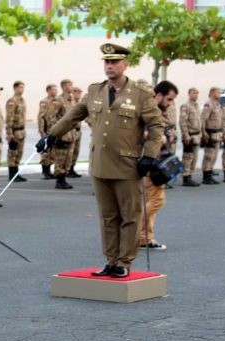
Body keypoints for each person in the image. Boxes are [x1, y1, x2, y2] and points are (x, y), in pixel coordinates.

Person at [45, 43, 163, 278]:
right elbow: (72, 116)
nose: (109, 66)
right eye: (106, 62)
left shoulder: (140, 94)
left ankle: (124, 262)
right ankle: (110, 260)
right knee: (108, 217)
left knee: (129, 216)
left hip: (128, 166)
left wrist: (149, 156)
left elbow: (157, 126)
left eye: (114, 62)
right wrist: (50, 136)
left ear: (125, 65)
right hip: (100, 164)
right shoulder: (94, 91)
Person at [139, 80, 179, 251]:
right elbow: (141, 133)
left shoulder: (157, 111)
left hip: (158, 160)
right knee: (156, 200)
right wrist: (158, 136)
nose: (170, 103)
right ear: (159, 95)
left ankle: (145, 237)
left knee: (151, 199)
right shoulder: (149, 111)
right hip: (151, 161)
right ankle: (135, 232)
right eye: (169, 99)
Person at [179, 87, 202, 187]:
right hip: (189, 135)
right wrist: (186, 135)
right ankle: (186, 177)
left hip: (197, 135)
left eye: (197, 93)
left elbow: (199, 121)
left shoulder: (196, 106)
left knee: (194, 157)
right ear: (189, 94)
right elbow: (183, 122)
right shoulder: (185, 106)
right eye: (194, 93)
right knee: (188, 157)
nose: (196, 95)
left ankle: (190, 176)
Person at [200, 87, 223, 185]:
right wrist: (204, 132)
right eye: (218, 92)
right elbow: (203, 119)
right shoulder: (208, 104)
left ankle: (210, 175)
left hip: (217, 134)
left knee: (214, 156)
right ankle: (205, 177)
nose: (220, 94)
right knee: (208, 156)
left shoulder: (217, 105)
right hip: (209, 133)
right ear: (212, 93)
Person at [5, 81, 27, 182]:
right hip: (14, 131)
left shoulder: (22, 100)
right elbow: (9, 118)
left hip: (22, 130)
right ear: (15, 88)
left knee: (19, 153)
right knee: (12, 153)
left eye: (23, 88)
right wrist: (9, 133)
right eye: (20, 87)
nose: (22, 89)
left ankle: (16, 173)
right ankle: (12, 174)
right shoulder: (12, 101)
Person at [38, 84, 58, 179]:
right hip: (47, 130)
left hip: (54, 130)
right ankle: (45, 171)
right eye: (53, 89)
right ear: (49, 91)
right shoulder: (44, 102)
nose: (55, 91)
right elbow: (41, 117)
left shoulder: (57, 101)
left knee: (53, 152)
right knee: (46, 151)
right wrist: (42, 131)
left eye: (56, 89)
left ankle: (50, 170)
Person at [68, 86, 84, 178]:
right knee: (70, 151)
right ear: (73, 93)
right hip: (72, 130)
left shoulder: (80, 103)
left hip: (78, 131)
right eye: (77, 93)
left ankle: (72, 168)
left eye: (80, 93)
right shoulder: (71, 103)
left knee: (76, 151)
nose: (79, 95)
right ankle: (68, 169)